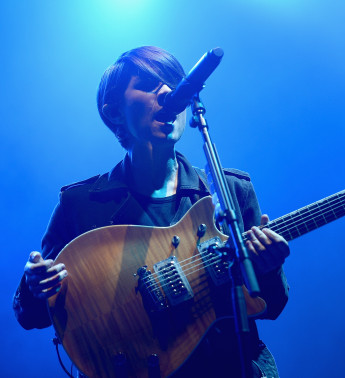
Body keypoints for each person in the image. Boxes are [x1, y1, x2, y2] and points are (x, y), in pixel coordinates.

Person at [13, 46, 290, 377]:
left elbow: (271, 306)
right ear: (114, 112)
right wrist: (34, 288)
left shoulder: (229, 192)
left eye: (174, 82)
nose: (168, 91)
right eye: (147, 83)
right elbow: (33, 316)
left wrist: (268, 268)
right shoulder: (80, 205)